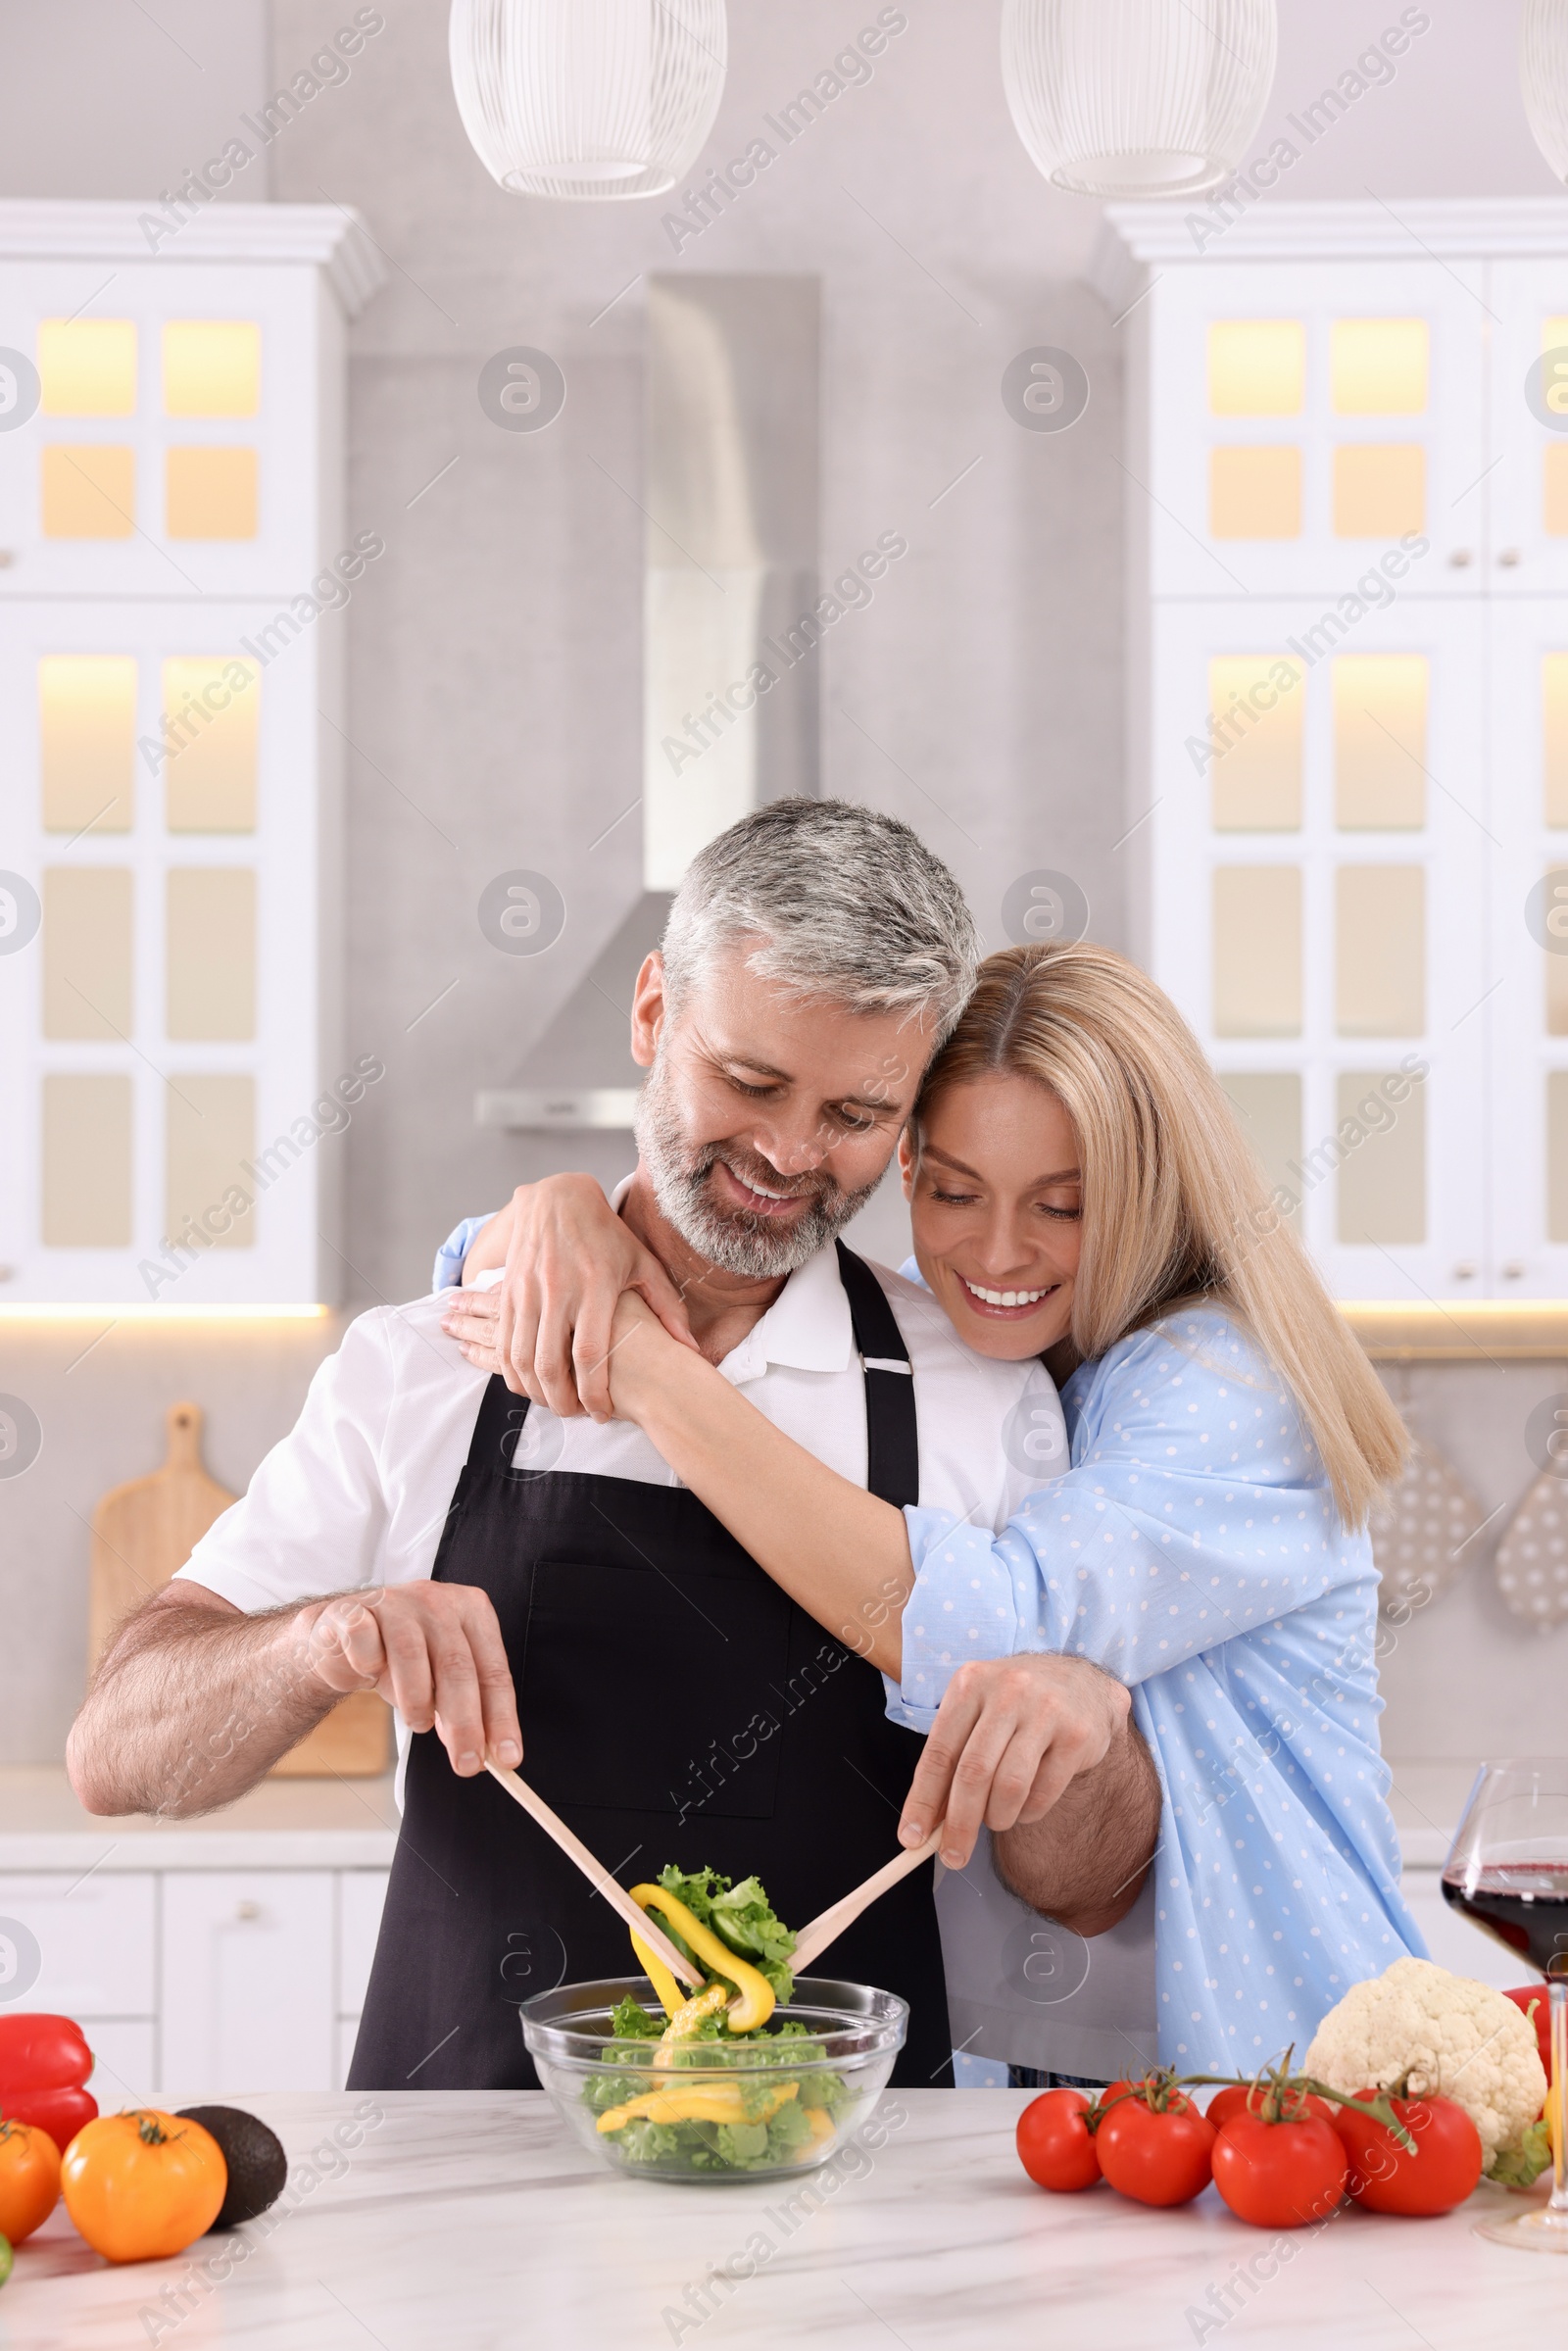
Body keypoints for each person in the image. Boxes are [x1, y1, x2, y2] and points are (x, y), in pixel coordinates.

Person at [67, 803, 1161, 2093]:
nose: (788, 1153)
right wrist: (321, 1639)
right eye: (750, 1081)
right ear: (653, 1013)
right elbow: (117, 1755)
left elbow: (1086, 1886)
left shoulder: (980, 1392)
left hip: (855, 2189)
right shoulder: (429, 1354)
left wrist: (1092, 1732)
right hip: (462, 2171)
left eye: (856, 1113)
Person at [442, 940, 1426, 2082]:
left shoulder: (1219, 1381)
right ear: (898, 1162)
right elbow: (476, 1294)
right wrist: (554, 1218)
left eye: (1063, 1206)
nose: (997, 1252)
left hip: (1299, 2071)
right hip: (1066, 2083)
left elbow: (999, 1622)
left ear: (1155, 1191)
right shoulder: (995, 1374)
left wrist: (648, 1369)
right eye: (954, 1189)